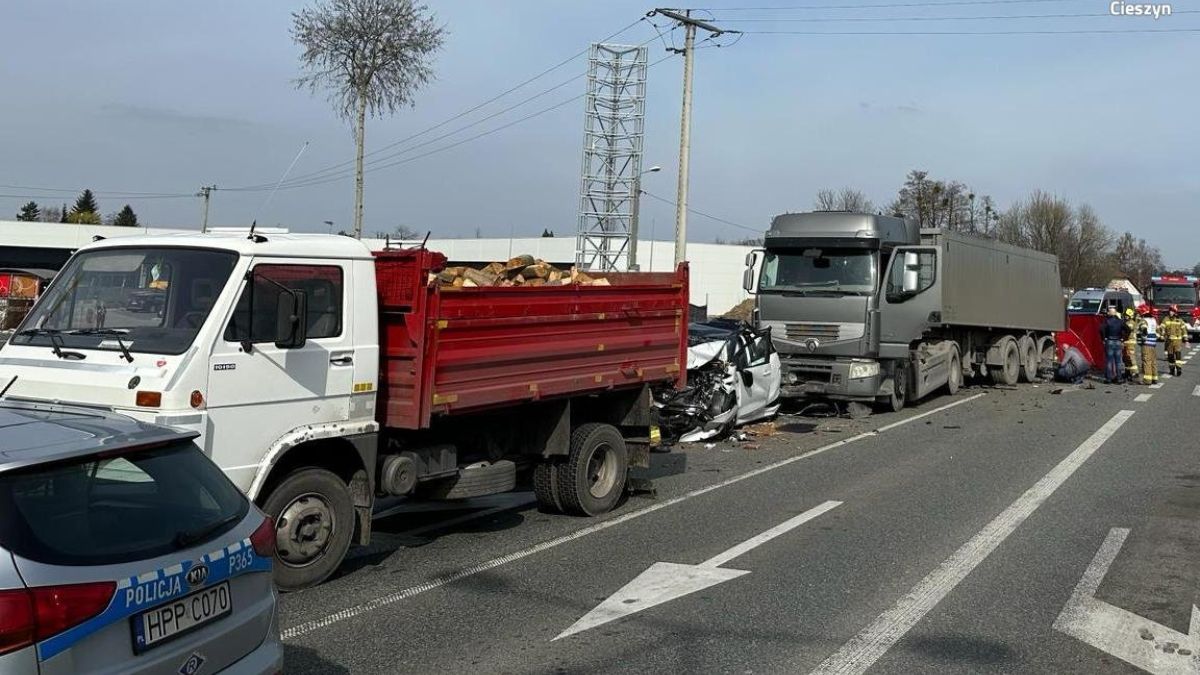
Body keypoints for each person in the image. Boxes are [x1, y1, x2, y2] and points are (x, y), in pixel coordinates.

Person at [1099, 306, 1128, 384]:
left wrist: (1104, 338)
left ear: (1109, 313)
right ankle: (1119, 378)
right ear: (1115, 313)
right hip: (1118, 341)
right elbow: (1128, 329)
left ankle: (1108, 379)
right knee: (1118, 361)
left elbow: (1101, 329)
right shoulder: (1120, 321)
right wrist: (1123, 338)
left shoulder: (1106, 321)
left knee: (1109, 360)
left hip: (1109, 341)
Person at [1161, 305, 1188, 376]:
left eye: (1172, 311)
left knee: (1178, 355)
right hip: (1169, 341)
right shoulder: (1166, 319)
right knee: (1170, 356)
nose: (1170, 312)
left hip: (1177, 341)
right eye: (1170, 310)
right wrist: (1162, 333)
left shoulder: (1179, 320)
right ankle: (1172, 370)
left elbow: (1184, 330)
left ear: (1175, 312)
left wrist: (1186, 340)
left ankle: (1179, 369)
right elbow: (1162, 327)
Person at [1136, 304, 1159, 385]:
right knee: (1153, 361)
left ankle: (1147, 380)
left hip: (1146, 343)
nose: (1138, 314)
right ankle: (1154, 378)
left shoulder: (1143, 320)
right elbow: (1158, 331)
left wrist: (1143, 338)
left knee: (1146, 361)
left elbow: (1144, 328)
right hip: (1153, 343)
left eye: (1139, 312)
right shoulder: (1153, 320)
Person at [1122, 307, 1140, 383]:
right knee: (1126, 358)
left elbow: (1126, 332)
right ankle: (1127, 372)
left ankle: (1135, 373)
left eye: (1126, 315)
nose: (1125, 316)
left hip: (1130, 342)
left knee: (1131, 358)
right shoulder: (1129, 322)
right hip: (1127, 342)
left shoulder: (1130, 323)